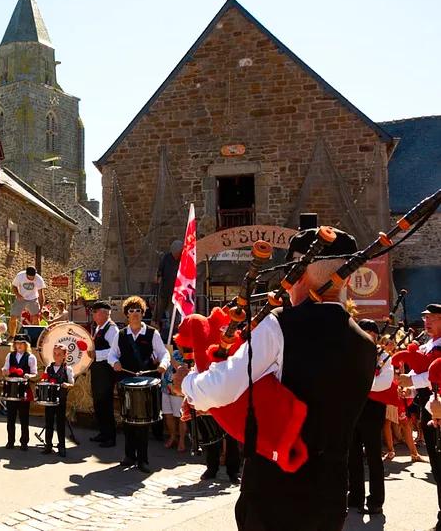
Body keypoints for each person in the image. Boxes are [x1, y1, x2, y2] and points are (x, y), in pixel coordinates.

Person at [176, 227, 375, 531]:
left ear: (297, 273)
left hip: (274, 493)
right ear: (346, 276)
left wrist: (186, 383)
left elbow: (217, 389)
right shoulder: (365, 343)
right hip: (331, 493)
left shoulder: (280, 325)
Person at [108, 296, 169, 473]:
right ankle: (129, 456)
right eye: (131, 311)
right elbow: (112, 355)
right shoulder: (120, 335)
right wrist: (115, 363)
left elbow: (163, 353)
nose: (134, 314)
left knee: (142, 422)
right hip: (126, 382)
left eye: (138, 311)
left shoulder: (152, 333)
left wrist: (163, 364)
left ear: (143, 313)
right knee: (127, 420)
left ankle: (143, 459)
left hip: (146, 383)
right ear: (126, 314)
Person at [399, 303, 441, 529]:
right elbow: (419, 371)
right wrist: (409, 387)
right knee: (437, 466)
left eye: (433, 318)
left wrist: (412, 381)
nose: (427, 322)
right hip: (429, 408)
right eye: (426, 318)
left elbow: (436, 373)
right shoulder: (426, 346)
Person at [348, 319, 390, 516]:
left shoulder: (385, 357)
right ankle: (355, 497)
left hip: (373, 411)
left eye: (369, 333)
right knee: (353, 456)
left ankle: (375, 501)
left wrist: (360, 383)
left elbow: (384, 382)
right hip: (353, 410)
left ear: (375, 336)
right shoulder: (351, 355)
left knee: (374, 457)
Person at [87, 300, 118, 448]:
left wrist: (96, 354)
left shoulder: (112, 329)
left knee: (105, 403)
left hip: (106, 370)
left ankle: (110, 437)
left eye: (95, 312)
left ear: (103, 313)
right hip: (98, 369)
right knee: (98, 402)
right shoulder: (99, 327)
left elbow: (115, 351)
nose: (93, 315)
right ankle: (103, 432)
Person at [2, 333, 37, 450]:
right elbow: (5, 368)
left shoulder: (31, 357)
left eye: (21, 344)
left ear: (26, 345)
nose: (19, 346)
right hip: (11, 389)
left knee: (24, 417)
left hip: (23, 389)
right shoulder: (10, 355)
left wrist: (28, 375)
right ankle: (10, 441)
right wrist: (5, 371)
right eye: (17, 343)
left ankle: (24, 442)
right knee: (10, 417)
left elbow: (34, 373)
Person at [43, 343, 74, 456]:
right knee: (49, 422)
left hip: (61, 399)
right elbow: (44, 380)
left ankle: (61, 446)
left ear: (65, 356)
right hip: (50, 399)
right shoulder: (49, 367)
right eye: (54, 354)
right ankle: (48, 445)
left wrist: (67, 385)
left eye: (59, 354)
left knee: (60, 423)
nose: (56, 356)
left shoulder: (68, 369)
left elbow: (72, 383)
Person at [9, 266, 46, 336]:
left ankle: (36, 336)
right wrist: (18, 295)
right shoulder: (20, 276)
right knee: (13, 317)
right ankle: (12, 336)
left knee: (36, 318)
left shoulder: (39, 279)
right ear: (26, 274)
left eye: (33, 277)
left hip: (33, 299)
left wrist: (41, 309)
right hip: (21, 298)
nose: (32, 278)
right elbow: (14, 286)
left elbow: (41, 295)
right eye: (30, 277)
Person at [155, 240, 182, 329]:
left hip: (176, 292)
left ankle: (174, 329)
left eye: (178, 253)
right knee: (159, 309)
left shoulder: (183, 259)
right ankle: (156, 325)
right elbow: (160, 269)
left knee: (174, 312)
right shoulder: (166, 258)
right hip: (164, 289)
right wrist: (158, 277)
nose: (177, 255)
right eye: (176, 253)